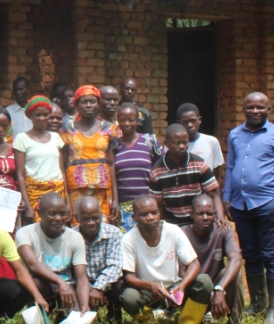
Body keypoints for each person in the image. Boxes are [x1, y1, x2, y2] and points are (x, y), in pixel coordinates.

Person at [223, 92, 274, 324]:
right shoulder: (235, 134)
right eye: (250, 107)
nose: (255, 111)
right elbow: (231, 167)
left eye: (260, 107)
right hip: (240, 205)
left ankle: (273, 309)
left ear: (269, 109)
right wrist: (227, 199)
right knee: (250, 255)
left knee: (271, 256)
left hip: (266, 204)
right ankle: (257, 303)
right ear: (243, 109)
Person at [120, 196, 211, 324]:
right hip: (148, 291)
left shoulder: (173, 231)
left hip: (174, 288)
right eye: (144, 214)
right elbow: (128, 277)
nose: (151, 218)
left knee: (204, 281)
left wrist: (182, 285)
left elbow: (194, 264)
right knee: (129, 297)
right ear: (134, 217)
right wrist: (151, 286)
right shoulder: (129, 239)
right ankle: (148, 323)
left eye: (154, 213)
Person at [15, 193, 90, 315]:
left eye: (62, 214)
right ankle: (39, 310)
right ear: (40, 214)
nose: (58, 218)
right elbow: (32, 264)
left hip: (68, 286)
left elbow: (81, 277)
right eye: (52, 214)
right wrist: (60, 282)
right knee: (34, 283)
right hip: (42, 284)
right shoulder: (25, 233)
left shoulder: (75, 237)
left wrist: (84, 305)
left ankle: (63, 312)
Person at [181, 194, 244, 324]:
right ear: (191, 214)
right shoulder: (182, 234)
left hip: (216, 288)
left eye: (209, 213)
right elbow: (180, 271)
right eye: (200, 213)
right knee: (201, 280)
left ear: (215, 214)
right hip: (194, 290)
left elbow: (236, 259)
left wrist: (219, 289)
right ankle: (192, 318)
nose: (205, 217)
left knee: (234, 275)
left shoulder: (223, 231)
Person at [63, 85, 120, 222]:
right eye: (84, 102)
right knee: (78, 229)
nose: (89, 105)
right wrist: (65, 199)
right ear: (77, 105)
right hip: (75, 189)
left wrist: (115, 199)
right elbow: (63, 165)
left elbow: (111, 164)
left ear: (98, 104)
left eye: (93, 102)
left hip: (102, 189)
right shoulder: (67, 130)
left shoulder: (110, 129)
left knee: (102, 226)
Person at [148, 124, 223, 227]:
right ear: (166, 143)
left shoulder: (199, 164)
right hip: (173, 225)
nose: (182, 146)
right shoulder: (157, 171)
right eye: (177, 143)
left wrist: (220, 218)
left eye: (185, 142)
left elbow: (214, 195)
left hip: (198, 224)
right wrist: (162, 227)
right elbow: (158, 204)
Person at [14, 96, 67, 223]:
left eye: (45, 115)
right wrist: (27, 204)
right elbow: (20, 175)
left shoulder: (56, 138)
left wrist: (67, 202)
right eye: (38, 115)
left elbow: (62, 172)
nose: (42, 118)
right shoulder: (22, 139)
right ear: (30, 116)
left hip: (57, 193)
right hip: (34, 195)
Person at [73, 196, 124, 324]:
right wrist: (89, 290)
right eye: (85, 218)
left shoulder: (114, 233)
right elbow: (70, 270)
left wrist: (98, 288)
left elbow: (115, 266)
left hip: (106, 284)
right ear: (77, 218)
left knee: (119, 284)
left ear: (101, 215)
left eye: (95, 217)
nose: (91, 222)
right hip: (82, 285)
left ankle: (114, 314)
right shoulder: (70, 236)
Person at [114, 103, 161, 232]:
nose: (127, 123)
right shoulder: (114, 145)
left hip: (148, 205)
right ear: (117, 120)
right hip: (124, 208)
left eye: (131, 119)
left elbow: (161, 170)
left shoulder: (149, 141)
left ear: (137, 120)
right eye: (122, 120)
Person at [177, 103, 224, 171]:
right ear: (179, 123)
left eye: (193, 121)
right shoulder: (173, 146)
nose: (190, 125)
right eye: (185, 122)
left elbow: (216, 173)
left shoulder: (212, 142)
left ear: (200, 120)